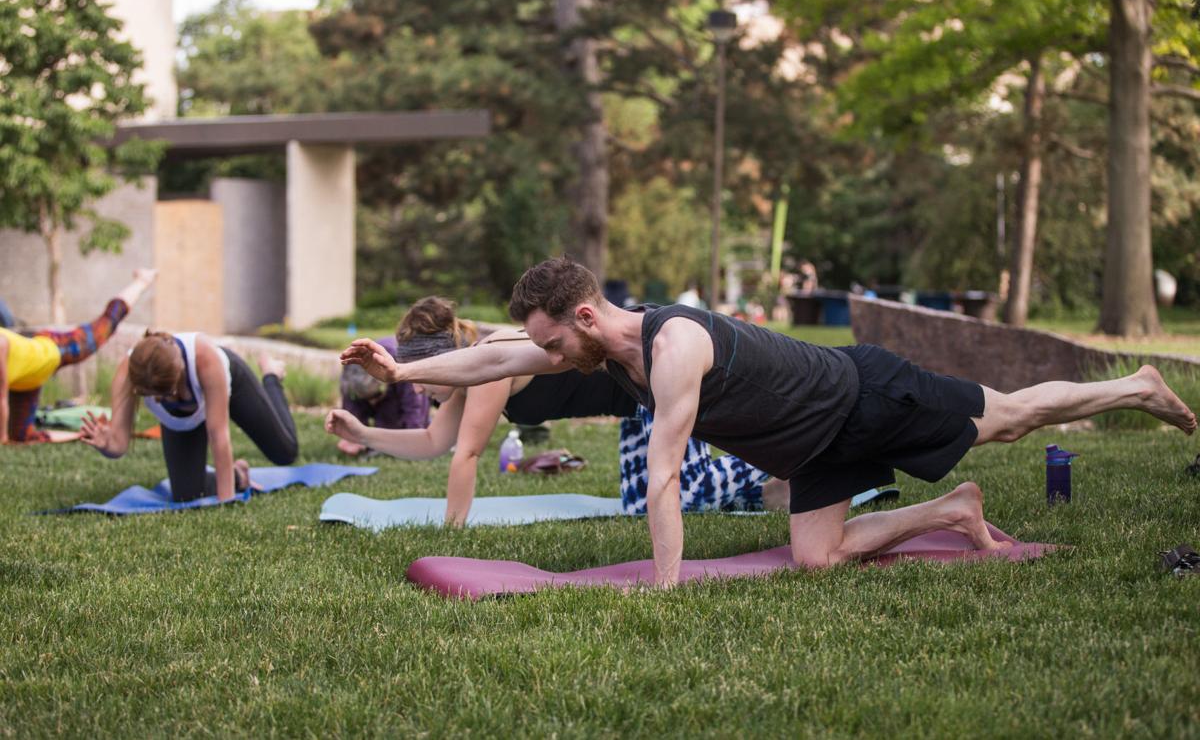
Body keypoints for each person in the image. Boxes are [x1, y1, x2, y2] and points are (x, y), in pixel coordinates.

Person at [342, 256, 1197, 588]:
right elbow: (491, 359)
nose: (547, 356)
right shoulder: (597, 348)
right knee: (816, 555)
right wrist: (403, 368)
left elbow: (668, 475)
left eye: (553, 340)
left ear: (586, 316)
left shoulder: (674, 346)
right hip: (816, 446)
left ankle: (1134, 388)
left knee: (1009, 418)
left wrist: (665, 589)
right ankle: (953, 508)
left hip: (865, 397)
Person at [328, 296, 779, 526]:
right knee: (644, 507)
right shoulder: (469, 377)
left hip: (663, 376)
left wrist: (450, 534)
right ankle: (772, 490)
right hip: (637, 405)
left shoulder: (490, 363)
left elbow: (465, 455)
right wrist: (362, 434)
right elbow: (432, 442)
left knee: (684, 497)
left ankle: (777, 469)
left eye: (420, 372)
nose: (420, 386)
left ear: (444, 358)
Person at [80, 331, 299, 502]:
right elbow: (119, 445)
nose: (160, 401)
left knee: (285, 453)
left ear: (180, 371)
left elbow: (219, 437)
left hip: (231, 384)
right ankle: (239, 474)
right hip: (185, 419)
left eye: (166, 393)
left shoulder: (205, 358)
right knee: (186, 494)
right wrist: (105, 443)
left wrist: (227, 500)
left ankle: (271, 376)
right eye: (151, 396)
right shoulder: (128, 375)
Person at [1, 269, 156, 444]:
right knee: (22, 438)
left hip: (52, 349)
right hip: (26, 381)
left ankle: (142, 281)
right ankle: (83, 435)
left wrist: (2, 439)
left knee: (104, 326)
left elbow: (2, 398)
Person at [336, 334, 430, 456]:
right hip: (382, 387)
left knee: (393, 419)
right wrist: (352, 437)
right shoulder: (351, 368)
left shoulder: (402, 365)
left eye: (375, 397)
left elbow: (414, 409)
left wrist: (413, 444)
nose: (372, 403)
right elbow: (351, 407)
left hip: (399, 379)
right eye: (367, 399)